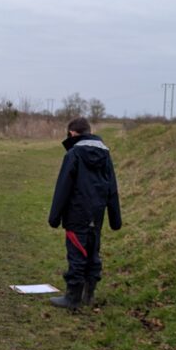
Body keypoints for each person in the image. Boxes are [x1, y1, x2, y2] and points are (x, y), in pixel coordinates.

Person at [48, 117, 122, 309]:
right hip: (96, 214)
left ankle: (73, 298)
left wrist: (54, 217)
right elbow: (112, 188)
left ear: (72, 134)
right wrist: (115, 219)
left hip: (76, 214)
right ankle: (89, 294)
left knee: (77, 253)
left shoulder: (73, 154)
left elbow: (63, 187)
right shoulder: (106, 155)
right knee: (92, 251)